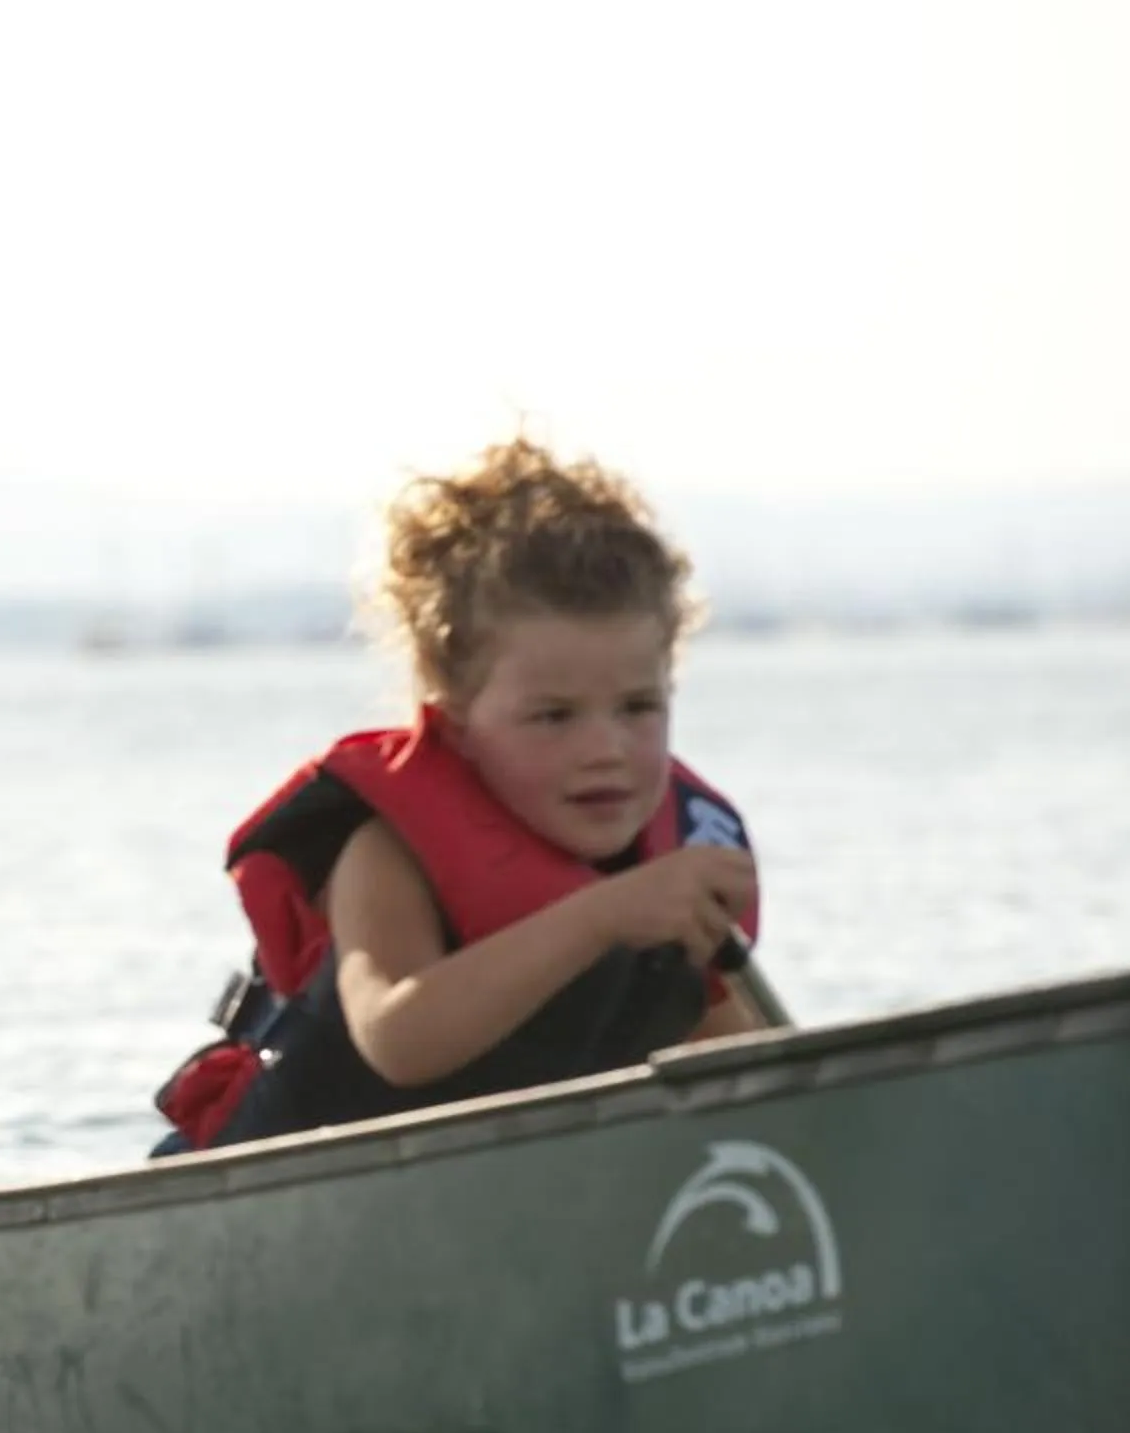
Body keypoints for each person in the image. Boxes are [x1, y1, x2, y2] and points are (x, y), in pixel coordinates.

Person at [152, 436, 766, 1154]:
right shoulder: (389, 849)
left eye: (638, 707)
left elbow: (743, 1065)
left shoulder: (660, 870)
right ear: (457, 724)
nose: (606, 749)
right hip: (262, 1193)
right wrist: (602, 916)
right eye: (553, 716)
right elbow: (396, 1037)